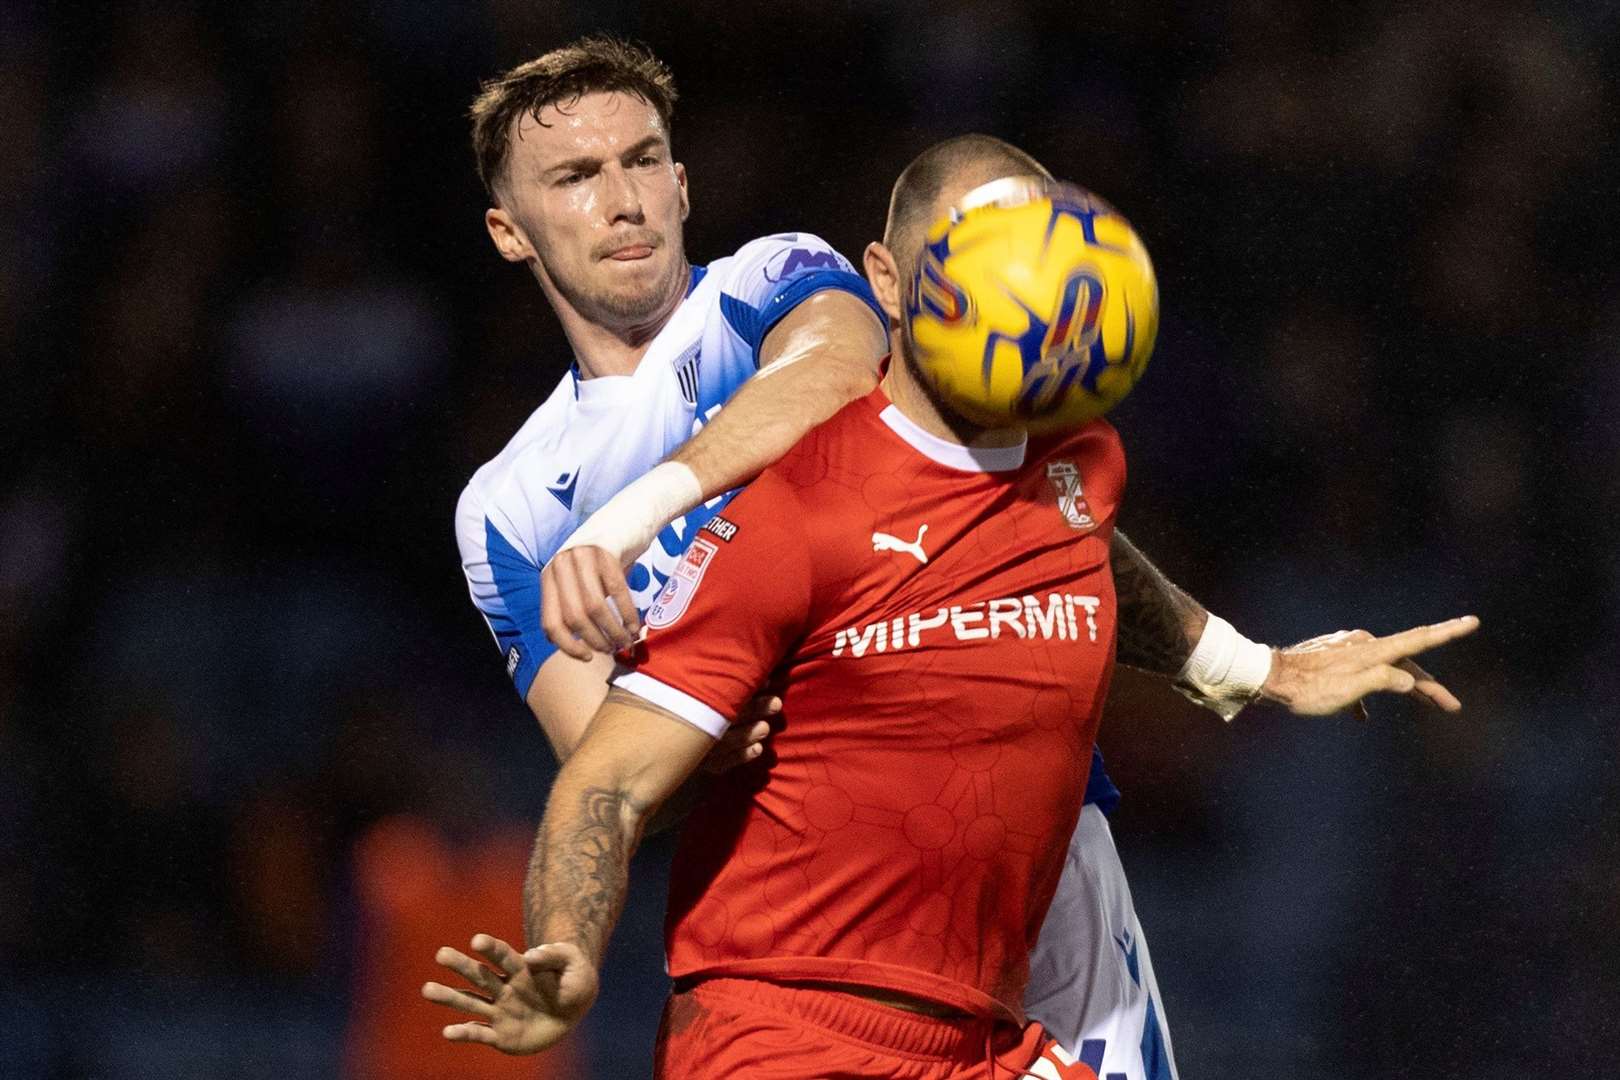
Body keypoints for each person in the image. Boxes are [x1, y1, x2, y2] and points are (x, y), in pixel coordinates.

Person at [425, 139, 1478, 1077]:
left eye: (1032, 244)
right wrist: (566, 949)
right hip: (791, 1039)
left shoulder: (1075, 467)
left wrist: (1261, 670)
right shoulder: (798, 511)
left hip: (983, 1037)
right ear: (886, 279)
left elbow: (1085, 553)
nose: (1014, 281)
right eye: (976, 249)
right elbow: (606, 782)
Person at [440, 35, 1185, 1075]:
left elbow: (842, 367)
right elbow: (606, 764)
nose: (623, 199)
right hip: (808, 924)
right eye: (575, 176)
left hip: (1021, 836)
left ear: (683, 183)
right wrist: (706, 726)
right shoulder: (508, 509)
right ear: (509, 232)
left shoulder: (767, 280)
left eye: (644, 160)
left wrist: (637, 520)